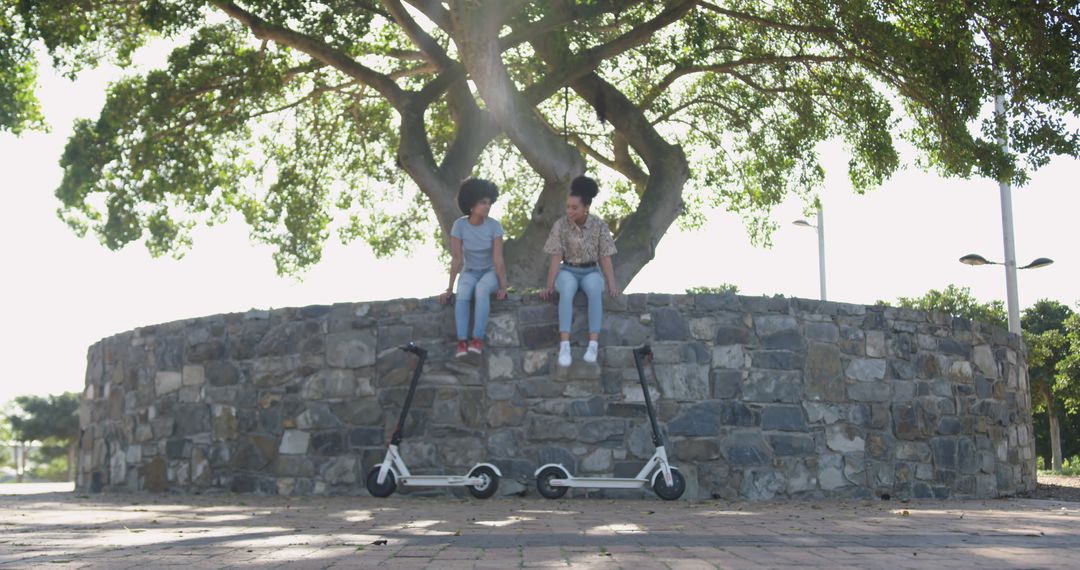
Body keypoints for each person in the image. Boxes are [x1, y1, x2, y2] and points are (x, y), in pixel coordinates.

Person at [539, 175, 619, 367]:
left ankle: (593, 343)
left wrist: (612, 285)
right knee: (567, 289)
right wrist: (549, 286)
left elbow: (605, 257)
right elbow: (556, 257)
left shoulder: (599, 226)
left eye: (574, 207)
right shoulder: (560, 225)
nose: (569, 211)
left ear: (586, 207)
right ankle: (565, 344)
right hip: (568, 269)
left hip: (591, 270)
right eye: (568, 207)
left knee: (594, 291)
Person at [438, 178, 508, 357]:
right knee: (463, 294)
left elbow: (498, 260)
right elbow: (456, 260)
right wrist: (449, 289)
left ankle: (477, 339)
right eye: (482, 202)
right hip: (469, 272)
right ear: (471, 203)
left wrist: (503, 287)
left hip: (489, 273)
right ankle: (462, 342)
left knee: (482, 289)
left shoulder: (494, 226)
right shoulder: (459, 226)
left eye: (489, 203)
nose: (487, 206)